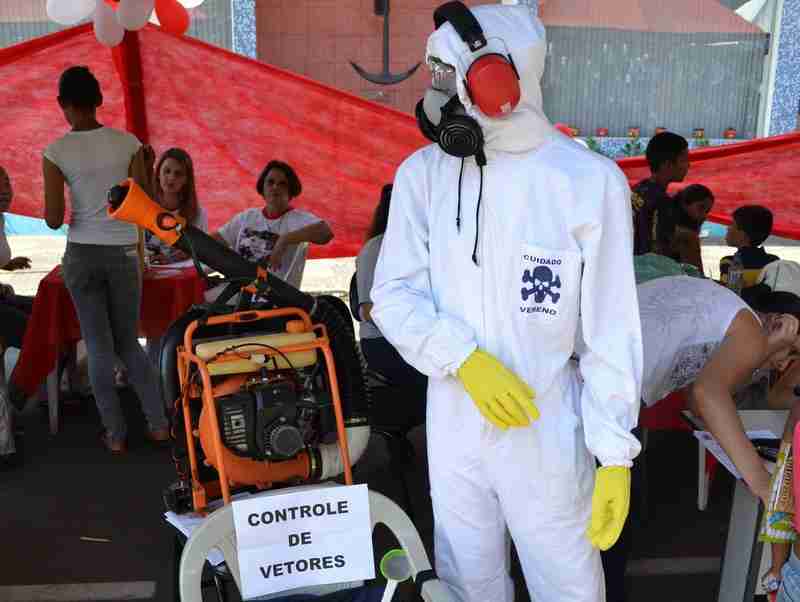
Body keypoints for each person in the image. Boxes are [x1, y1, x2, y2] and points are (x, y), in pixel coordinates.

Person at [372, 3, 642, 600]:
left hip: (545, 432)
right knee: (468, 585)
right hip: (454, 424)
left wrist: (614, 453)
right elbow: (391, 293)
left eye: (446, 77)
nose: (435, 96)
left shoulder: (587, 182)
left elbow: (610, 331)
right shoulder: (425, 175)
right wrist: (462, 359)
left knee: (568, 588)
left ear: (496, 79)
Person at [601, 277, 800, 601]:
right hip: (596, 394)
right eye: (787, 353)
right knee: (608, 526)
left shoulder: (730, 321)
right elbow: (707, 394)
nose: (781, 364)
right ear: (773, 322)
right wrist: (764, 485)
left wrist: (767, 351)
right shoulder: (749, 328)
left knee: (611, 524)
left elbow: (698, 399)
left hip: (602, 391)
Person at [42, 65, 168, 453]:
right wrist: (147, 165)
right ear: (98, 100)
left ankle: (115, 434)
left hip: (82, 253)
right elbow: (146, 203)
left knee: (97, 347)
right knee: (129, 343)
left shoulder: (55, 152)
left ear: (62, 103)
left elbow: (52, 219)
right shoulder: (128, 143)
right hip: (124, 253)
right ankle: (159, 425)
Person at [355, 184, 426, 427]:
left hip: (411, 337)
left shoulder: (420, 244)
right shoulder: (374, 248)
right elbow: (367, 310)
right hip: (382, 343)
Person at [210, 160, 332, 292]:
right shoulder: (247, 217)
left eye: (282, 184)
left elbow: (326, 233)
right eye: (270, 182)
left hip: (274, 300)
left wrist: (284, 240)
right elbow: (213, 240)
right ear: (262, 187)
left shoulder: (298, 219)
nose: (275, 187)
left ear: (291, 190)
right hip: (236, 293)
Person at [631, 132, 690, 256]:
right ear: (667, 164)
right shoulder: (662, 202)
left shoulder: (637, 189)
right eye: (684, 160)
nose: (688, 165)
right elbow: (657, 250)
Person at [146, 147, 208, 264]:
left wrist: (170, 259)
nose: (171, 178)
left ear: (186, 180)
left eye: (178, 174)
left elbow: (199, 250)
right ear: (158, 174)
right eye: (167, 171)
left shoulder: (198, 214)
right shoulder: (143, 205)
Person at [720, 204, 780, 290]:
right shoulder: (774, 261)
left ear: (742, 235)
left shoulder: (729, 263)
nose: (728, 228)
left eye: (732, 224)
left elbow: (728, 292)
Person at [660, 184, 714, 273]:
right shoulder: (687, 235)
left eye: (707, 211)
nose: (704, 216)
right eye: (701, 207)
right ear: (685, 203)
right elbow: (695, 274)